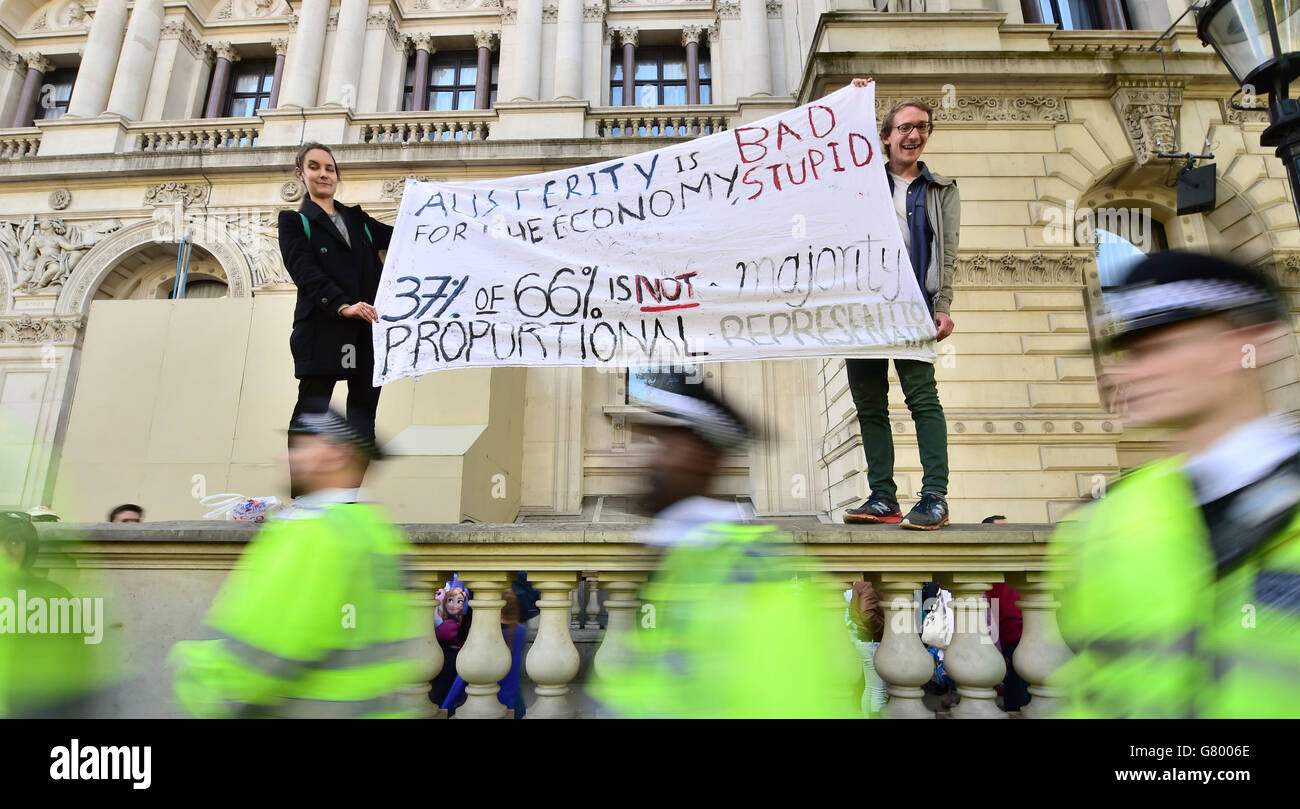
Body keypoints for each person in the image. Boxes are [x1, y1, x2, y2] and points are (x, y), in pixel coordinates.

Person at [1051, 250, 1300, 718]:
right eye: (1129, 353)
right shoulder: (1098, 523)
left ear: (1250, 342)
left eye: (1159, 348)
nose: (1123, 374)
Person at [590, 379, 861, 718]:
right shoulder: (674, 557)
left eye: (660, 442)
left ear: (701, 457)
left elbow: (787, 701)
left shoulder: (754, 570)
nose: (640, 456)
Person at [171, 409, 424, 718]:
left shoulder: (315, 531)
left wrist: (195, 676)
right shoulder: (378, 530)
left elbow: (269, 648)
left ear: (336, 455)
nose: (284, 457)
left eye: (301, 446)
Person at [842, 77, 960, 530]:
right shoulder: (861, 180)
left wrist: (943, 304)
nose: (914, 135)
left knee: (922, 399)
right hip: (861, 309)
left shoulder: (941, 190)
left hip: (913, 304)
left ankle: (934, 497)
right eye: (905, 127)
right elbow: (835, 156)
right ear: (886, 136)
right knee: (870, 404)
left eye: (922, 127)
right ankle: (882, 498)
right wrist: (853, 104)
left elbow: (948, 251)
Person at [278, 142, 395, 452]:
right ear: (300, 174)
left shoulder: (360, 221)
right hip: (322, 328)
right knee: (312, 414)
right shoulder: (293, 222)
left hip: (367, 331)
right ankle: (304, 498)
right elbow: (304, 271)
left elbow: (407, 236)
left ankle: (348, 497)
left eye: (330, 168)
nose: (323, 174)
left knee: (363, 419)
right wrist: (343, 305)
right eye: (315, 167)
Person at [440, 588, 528, 718]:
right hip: (513, 701)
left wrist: (446, 706)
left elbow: (464, 675)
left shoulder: (479, 630)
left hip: (484, 702)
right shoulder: (520, 631)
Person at [981, 515, 1028, 711]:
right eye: (1001, 530)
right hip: (1010, 639)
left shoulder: (1018, 560)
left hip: (1032, 635)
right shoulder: (988, 566)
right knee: (1019, 699)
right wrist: (997, 648)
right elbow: (988, 612)